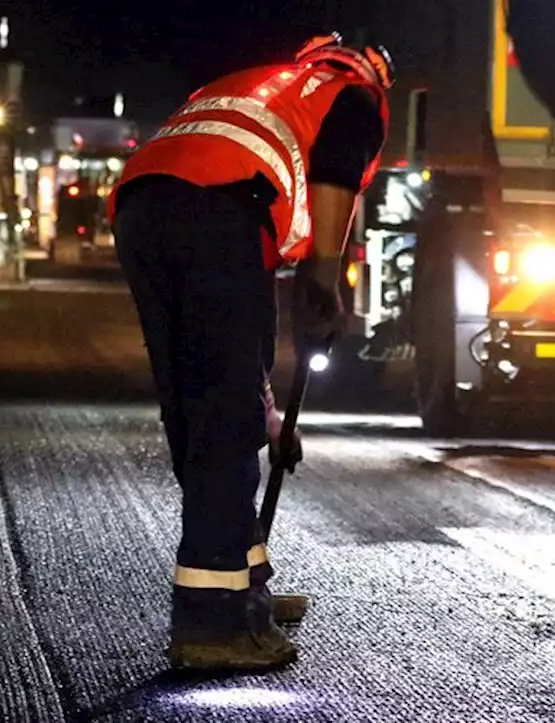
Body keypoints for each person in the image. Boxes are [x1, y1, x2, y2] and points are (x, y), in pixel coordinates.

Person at [107, 33, 392, 672]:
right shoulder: (352, 96)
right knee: (224, 416)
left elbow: (238, 351)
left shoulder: (252, 85)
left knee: (199, 399)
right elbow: (338, 172)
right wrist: (324, 276)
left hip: (142, 207)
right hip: (221, 213)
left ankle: (240, 581)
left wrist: (268, 418)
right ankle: (213, 625)